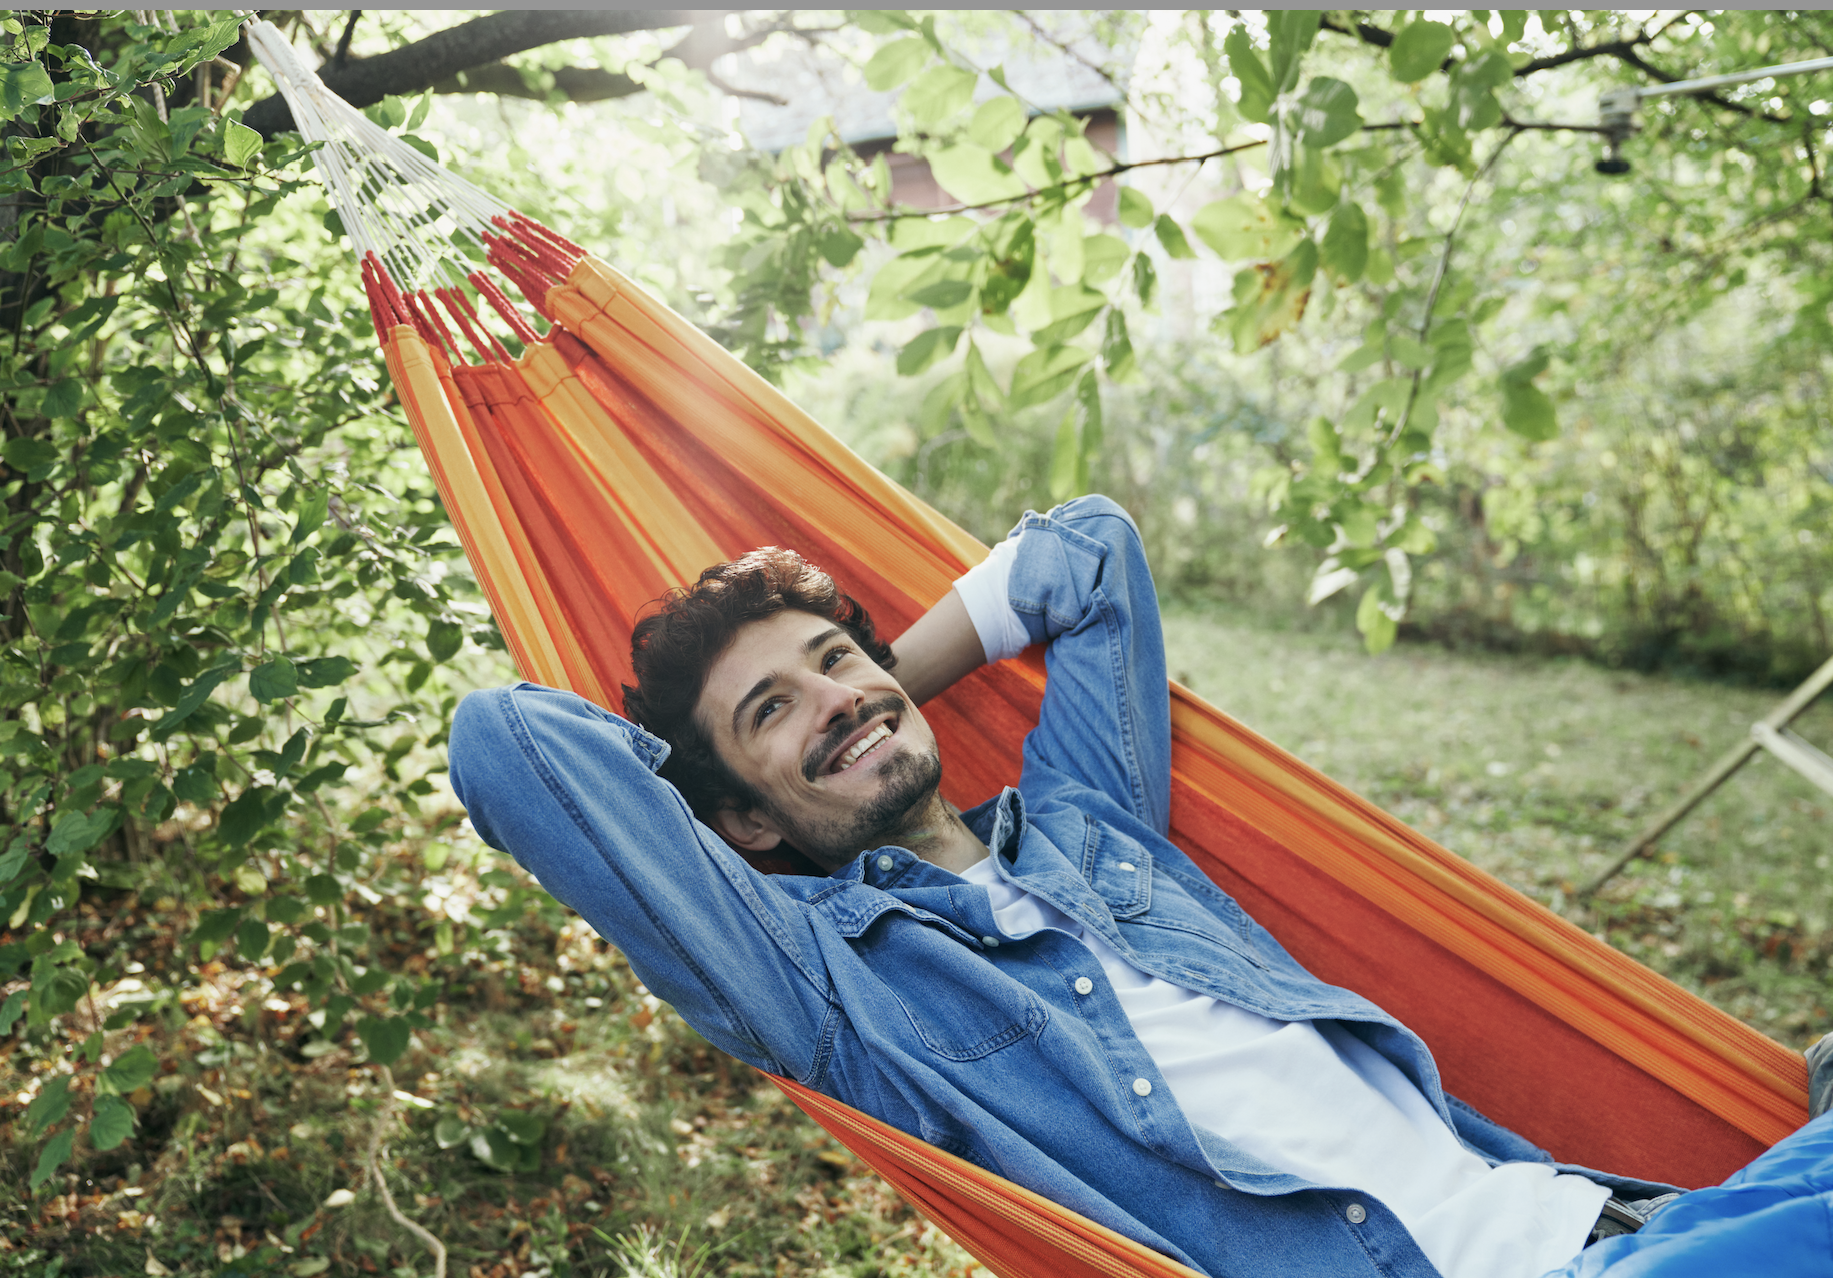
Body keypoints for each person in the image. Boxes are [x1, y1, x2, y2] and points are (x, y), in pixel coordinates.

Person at [449, 496, 1833, 1278]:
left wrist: (859, 705)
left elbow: (1089, 554)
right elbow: (506, 746)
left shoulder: (1085, 822)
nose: (834, 688)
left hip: (1606, 1219)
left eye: (834, 653)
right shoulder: (831, 988)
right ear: (738, 819)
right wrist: (776, 776)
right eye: (770, 707)